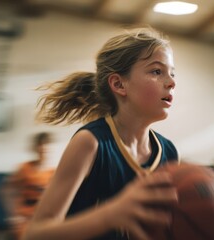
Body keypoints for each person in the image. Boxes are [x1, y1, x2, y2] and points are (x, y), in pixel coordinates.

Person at [23, 27, 179, 240]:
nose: (171, 82)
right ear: (118, 84)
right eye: (156, 71)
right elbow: (35, 234)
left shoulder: (169, 152)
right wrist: (109, 216)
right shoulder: (90, 143)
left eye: (172, 73)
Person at [0, 132, 55, 240]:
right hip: (24, 218)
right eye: (41, 145)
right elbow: (6, 190)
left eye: (46, 146)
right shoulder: (25, 168)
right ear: (36, 148)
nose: (43, 149)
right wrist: (13, 215)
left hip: (43, 218)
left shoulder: (54, 172)